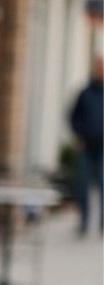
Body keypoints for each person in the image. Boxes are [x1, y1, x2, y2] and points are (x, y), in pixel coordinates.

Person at [69, 53, 104, 237]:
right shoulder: (85, 93)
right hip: (86, 146)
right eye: (99, 66)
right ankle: (83, 222)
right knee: (82, 185)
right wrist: (79, 135)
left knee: (103, 184)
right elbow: (73, 116)